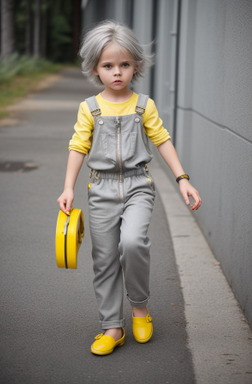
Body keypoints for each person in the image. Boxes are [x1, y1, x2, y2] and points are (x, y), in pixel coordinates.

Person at [57, 20, 201, 356]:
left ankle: (139, 307)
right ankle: (112, 327)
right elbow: (78, 146)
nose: (117, 72)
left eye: (124, 64)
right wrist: (68, 188)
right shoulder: (89, 109)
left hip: (138, 186)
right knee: (105, 258)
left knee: (133, 242)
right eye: (108, 66)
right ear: (95, 68)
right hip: (101, 190)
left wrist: (183, 179)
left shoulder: (144, 105)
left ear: (135, 65)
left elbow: (162, 140)